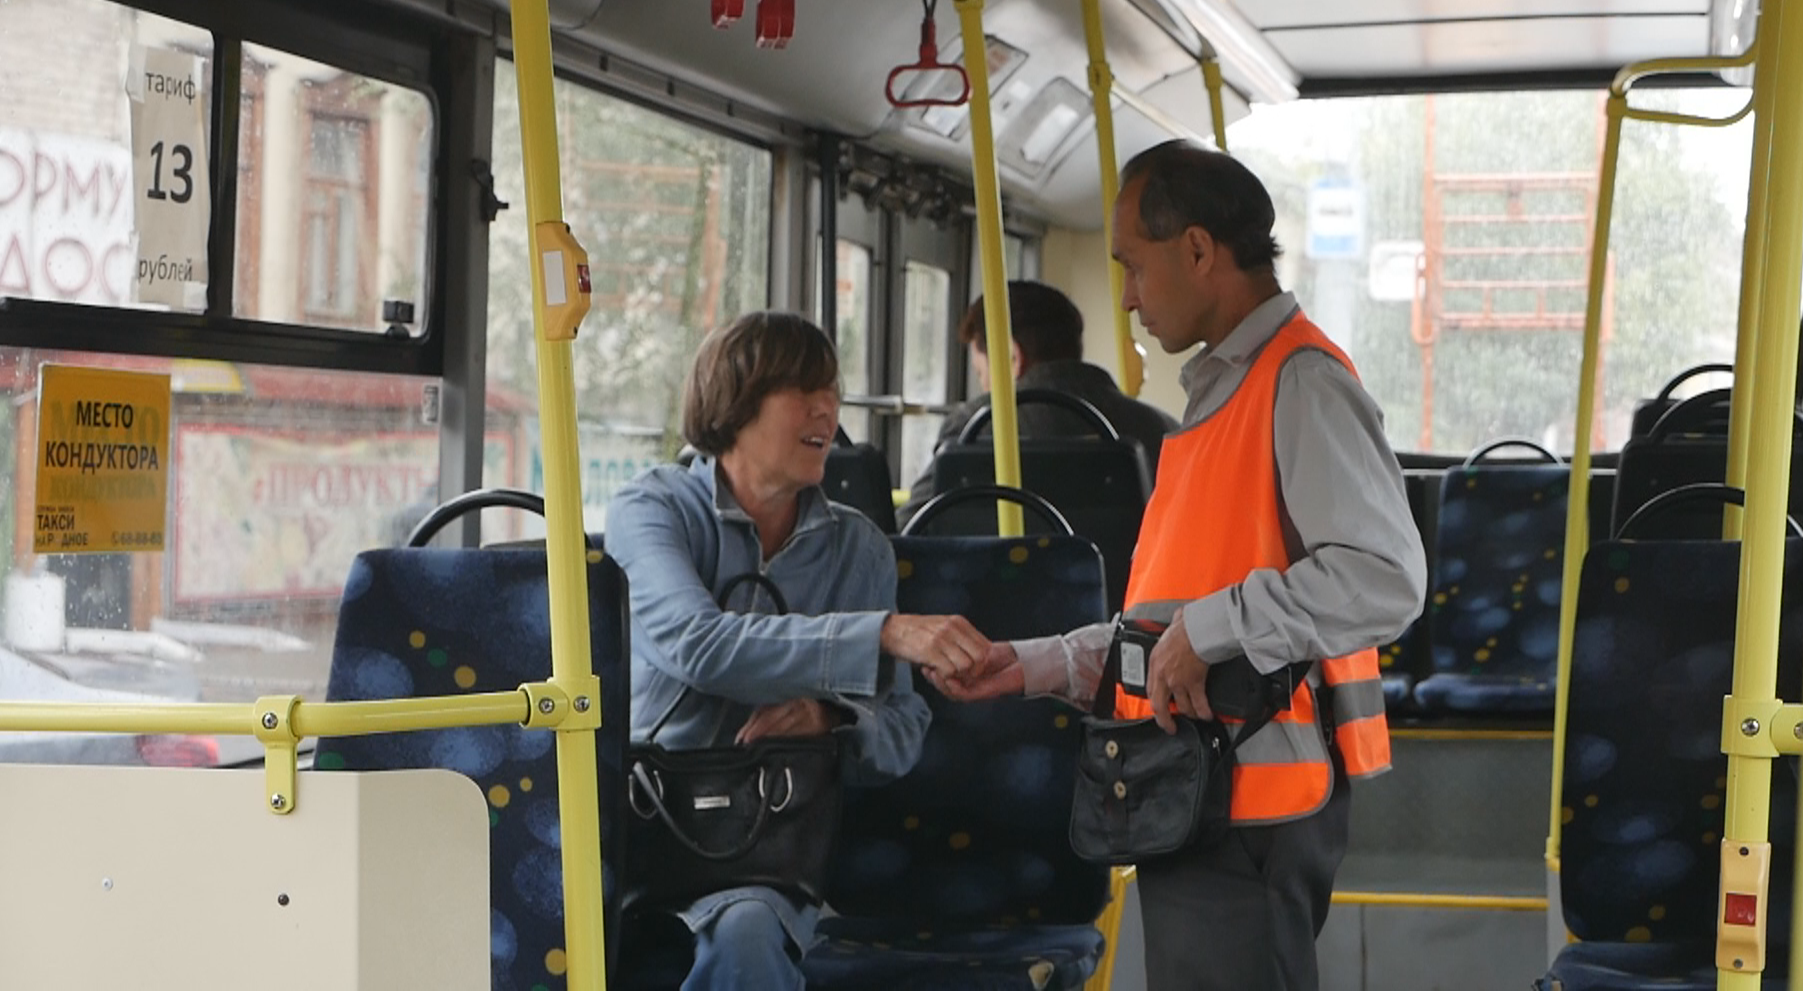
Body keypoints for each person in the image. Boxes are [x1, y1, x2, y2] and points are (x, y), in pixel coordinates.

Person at [932, 142, 1425, 991]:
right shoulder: (1214, 399)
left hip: (1251, 803)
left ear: (1198, 250)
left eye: (1132, 265)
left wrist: (1211, 626)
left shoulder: (1298, 381)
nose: (1125, 298)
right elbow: (1166, 621)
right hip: (1194, 789)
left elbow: (1385, 576)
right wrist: (1037, 663)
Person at [603, 311, 993, 991]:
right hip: (640, 819)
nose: (827, 409)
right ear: (735, 403)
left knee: (749, 927)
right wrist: (877, 635)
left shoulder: (859, 547)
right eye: (802, 391)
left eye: (832, 391)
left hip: (768, 850)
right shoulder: (652, 510)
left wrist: (834, 720)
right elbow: (696, 644)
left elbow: (902, 731)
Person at [897, 280, 1177, 527]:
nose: (984, 387)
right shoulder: (1163, 430)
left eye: (981, 374)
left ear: (1013, 357)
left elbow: (911, 527)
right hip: (1138, 587)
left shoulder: (976, 426)